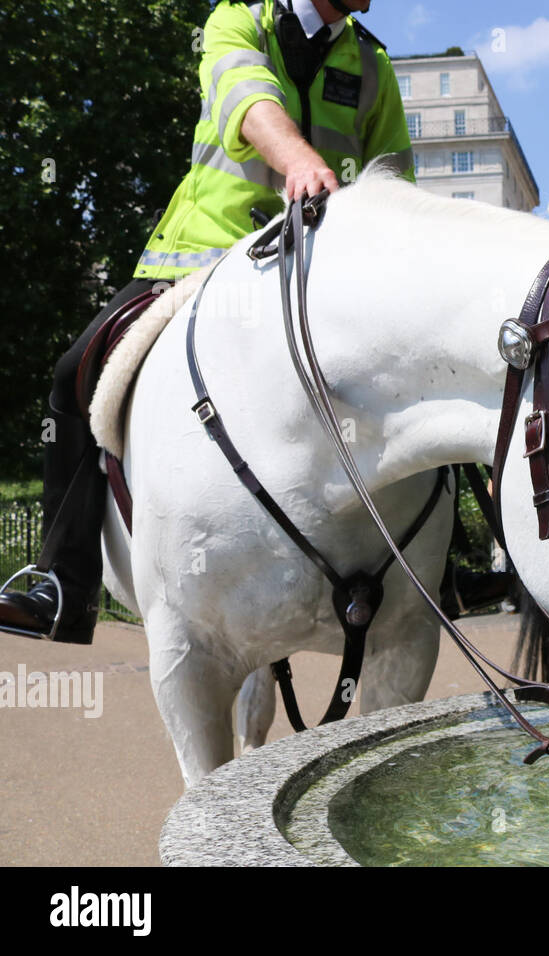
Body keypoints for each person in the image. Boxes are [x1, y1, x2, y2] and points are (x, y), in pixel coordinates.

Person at [0, 0, 414, 643]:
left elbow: (393, 177)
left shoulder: (371, 61)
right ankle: (64, 584)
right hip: (203, 255)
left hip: (324, 268)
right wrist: (299, 161)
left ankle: (441, 564)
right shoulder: (235, 20)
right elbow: (249, 104)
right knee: (72, 375)